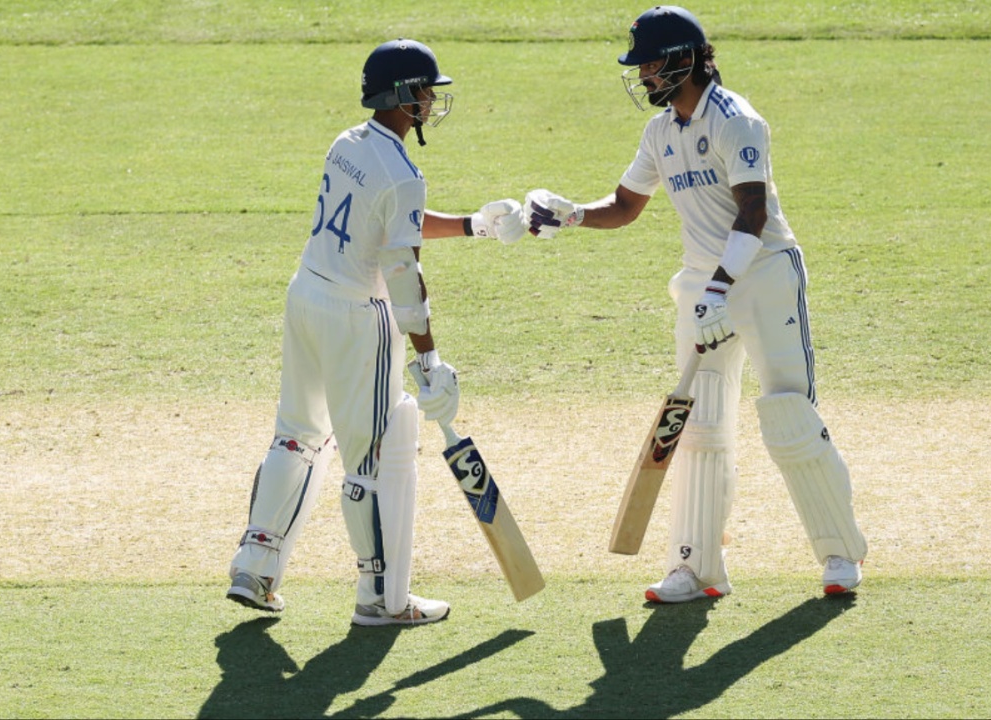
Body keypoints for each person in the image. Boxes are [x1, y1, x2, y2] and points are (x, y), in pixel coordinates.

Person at [524, 6, 867, 602]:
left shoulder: (738, 121)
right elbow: (627, 206)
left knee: (789, 414)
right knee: (700, 425)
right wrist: (574, 214)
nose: (644, 76)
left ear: (685, 59)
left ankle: (840, 552)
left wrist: (720, 288)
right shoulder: (660, 132)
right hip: (700, 287)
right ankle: (696, 567)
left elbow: (753, 215)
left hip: (761, 277)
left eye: (652, 63)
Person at [226, 38, 527, 626]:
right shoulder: (403, 173)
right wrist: (431, 359)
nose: (430, 102)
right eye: (423, 92)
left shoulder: (349, 143)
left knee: (296, 436)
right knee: (369, 458)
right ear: (402, 96)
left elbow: (392, 224)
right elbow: (404, 275)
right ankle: (380, 598)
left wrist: (475, 226)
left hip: (306, 294)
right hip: (357, 318)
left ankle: (255, 567)